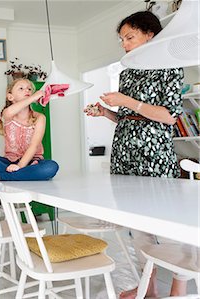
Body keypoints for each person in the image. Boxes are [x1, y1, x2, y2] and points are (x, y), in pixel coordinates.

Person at [84, 11, 186, 298]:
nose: (125, 44)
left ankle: (178, 286)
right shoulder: (128, 71)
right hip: (125, 151)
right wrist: (105, 112)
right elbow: (129, 117)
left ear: (150, 35)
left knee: (165, 225)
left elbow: (168, 116)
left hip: (154, 154)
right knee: (137, 226)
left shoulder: (170, 66)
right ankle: (148, 288)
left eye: (130, 37)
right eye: (122, 40)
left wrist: (126, 100)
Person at [0, 78, 59, 181]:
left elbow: (34, 146)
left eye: (29, 89)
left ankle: (0, 176)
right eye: (21, 88)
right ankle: (21, 175)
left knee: (51, 167)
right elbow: (10, 111)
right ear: (10, 96)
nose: (27, 91)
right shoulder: (7, 114)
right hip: (9, 162)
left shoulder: (40, 118)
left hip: (32, 162)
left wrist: (20, 166)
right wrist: (34, 97)